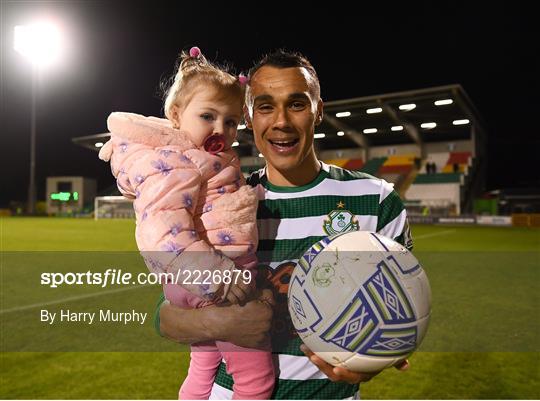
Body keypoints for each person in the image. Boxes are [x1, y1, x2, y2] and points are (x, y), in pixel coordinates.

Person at [158, 49, 412, 399]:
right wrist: (219, 323)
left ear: (318, 110)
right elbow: (167, 316)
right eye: (265, 106)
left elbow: (404, 308)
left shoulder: (377, 200)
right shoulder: (224, 203)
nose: (281, 121)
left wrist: (377, 358)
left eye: (296, 104)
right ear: (248, 117)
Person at [99, 47, 275, 400]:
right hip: (213, 276)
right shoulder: (175, 163)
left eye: (230, 121)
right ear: (176, 116)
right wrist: (222, 277)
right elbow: (164, 236)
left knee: (203, 366)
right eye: (207, 116)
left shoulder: (203, 158)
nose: (220, 129)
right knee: (256, 378)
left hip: (201, 276)